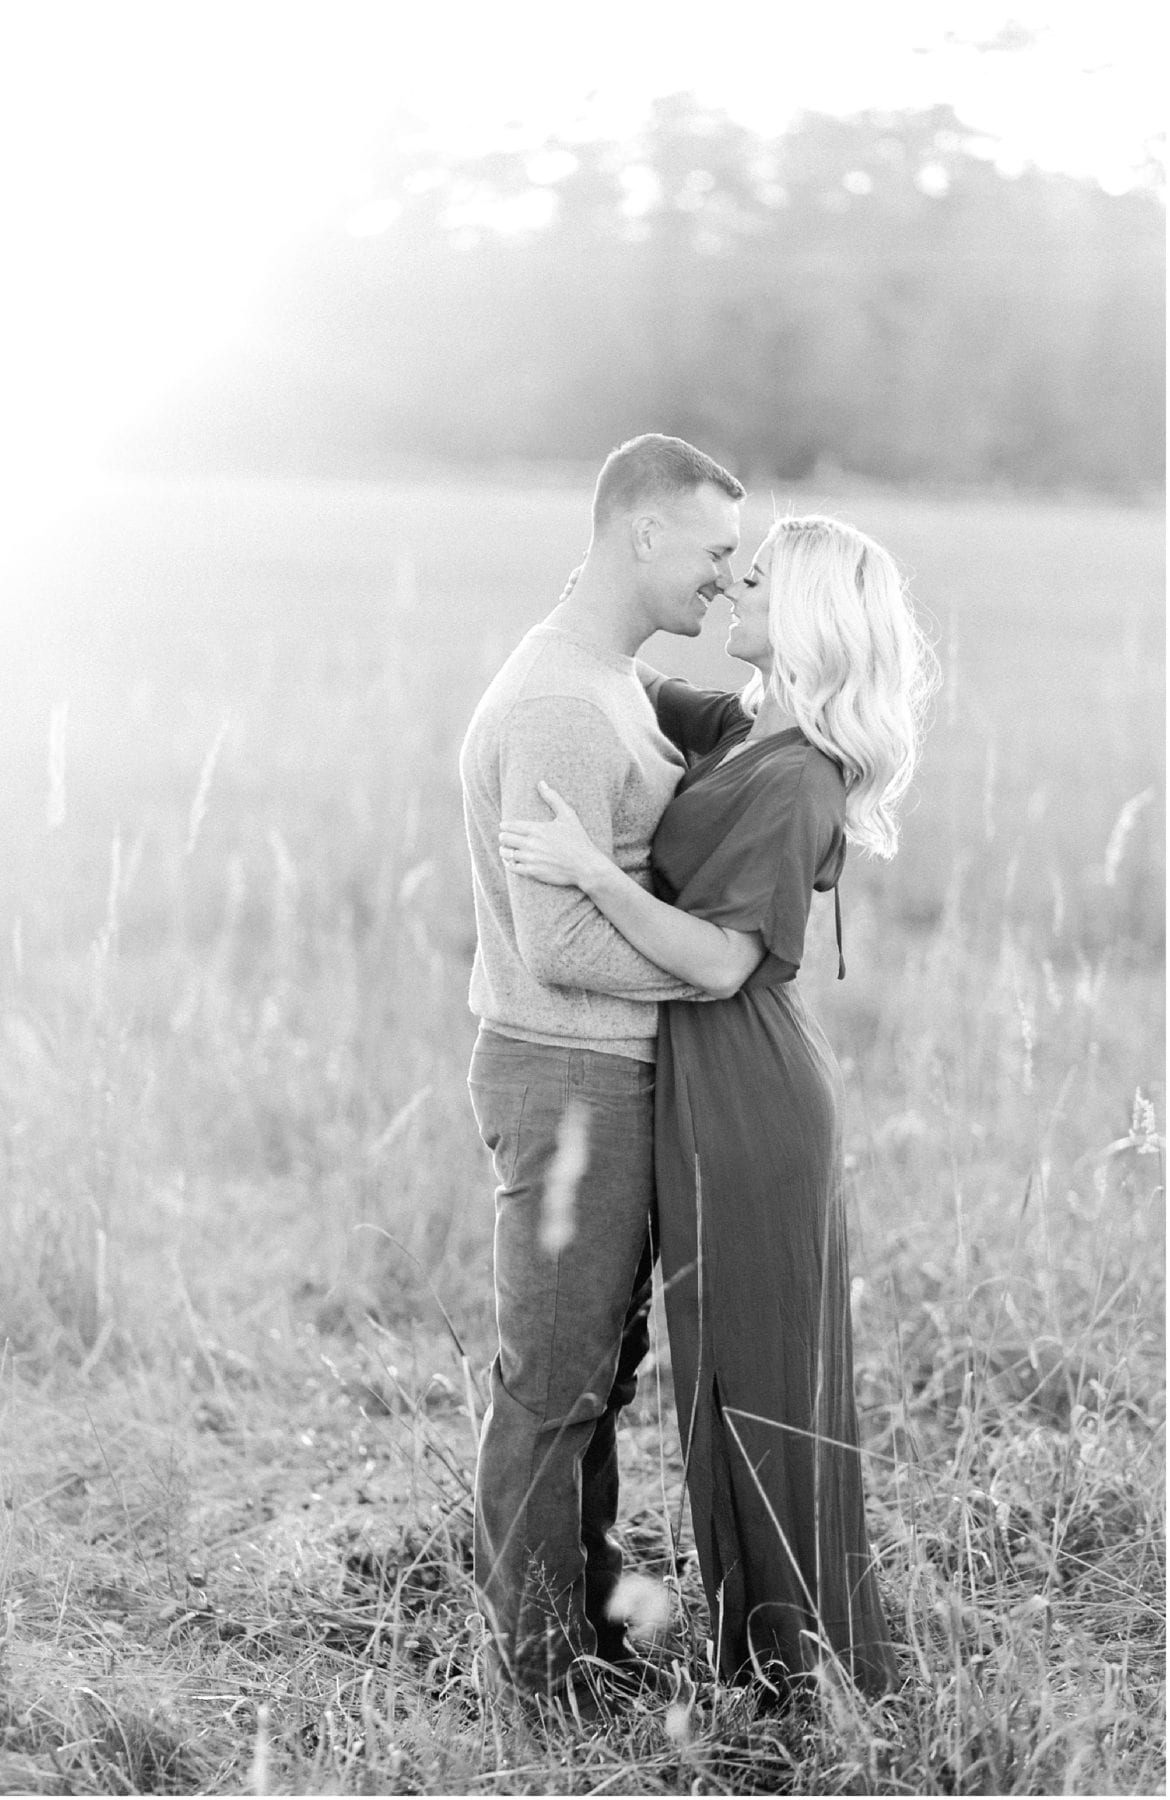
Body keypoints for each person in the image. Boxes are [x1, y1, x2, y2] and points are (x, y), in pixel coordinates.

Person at [500, 513, 937, 1700]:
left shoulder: (798, 777)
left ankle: (795, 1666)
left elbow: (721, 966)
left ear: (797, 619)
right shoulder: (750, 728)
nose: (730, 590)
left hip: (748, 1096)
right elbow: (630, 676)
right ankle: (769, 1649)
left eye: (750, 581)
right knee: (719, 1388)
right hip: (710, 1087)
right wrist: (594, 594)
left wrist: (593, 874)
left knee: (756, 1383)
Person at [458, 434, 745, 1711]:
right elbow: (559, 944)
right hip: (567, 1076)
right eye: (715, 552)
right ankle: (537, 1671)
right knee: (554, 1380)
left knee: (594, 1371)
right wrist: (712, 972)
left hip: (602, 1075)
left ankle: (585, 1623)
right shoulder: (562, 705)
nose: (728, 582)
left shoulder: (611, 677)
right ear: (640, 534)